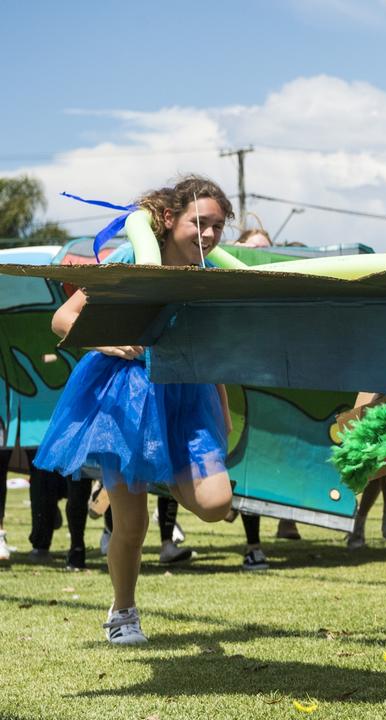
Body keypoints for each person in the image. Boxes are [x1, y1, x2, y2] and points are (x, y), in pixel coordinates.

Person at [33, 175, 237, 644]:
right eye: (198, 223)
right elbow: (62, 319)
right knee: (133, 523)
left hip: (189, 395)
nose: (207, 235)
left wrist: (223, 406)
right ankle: (122, 613)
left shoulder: (211, 277)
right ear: (169, 219)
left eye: (217, 227)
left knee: (215, 503)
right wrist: (109, 341)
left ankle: (150, 469)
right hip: (126, 397)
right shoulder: (130, 258)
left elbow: (212, 350)